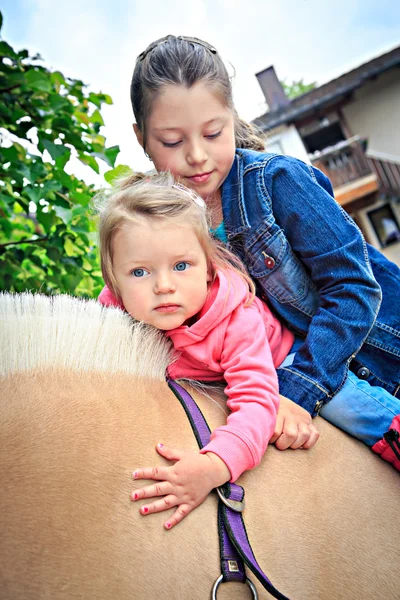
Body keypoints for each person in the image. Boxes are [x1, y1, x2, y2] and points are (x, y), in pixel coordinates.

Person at [100, 35, 400, 472]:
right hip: (258, 366)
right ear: (141, 137)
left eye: (213, 133)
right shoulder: (150, 216)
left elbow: (353, 288)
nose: (197, 156)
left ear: (232, 118)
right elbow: (125, 288)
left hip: (370, 355)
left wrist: (299, 389)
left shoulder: (279, 182)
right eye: (171, 141)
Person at [96, 172, 319, 529]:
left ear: (208, 268)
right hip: (210, 376)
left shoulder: (236, 318)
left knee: (355, 410)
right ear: (114, 282)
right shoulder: (113, 310)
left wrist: (214, 466)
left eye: (182, 266)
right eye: (140, 272)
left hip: (281, 363)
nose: (164, 286)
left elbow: (256, 401)